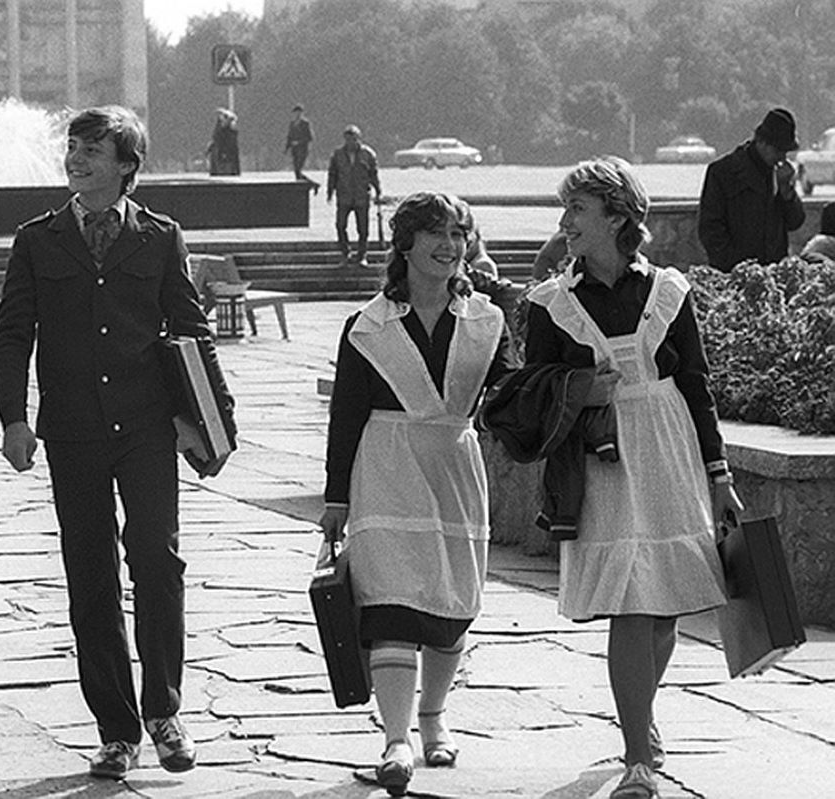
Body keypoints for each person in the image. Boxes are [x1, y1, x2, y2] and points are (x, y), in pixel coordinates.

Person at [0, 105, 234, 781]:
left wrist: (218, 424)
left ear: (126, 164)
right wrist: (13, 416)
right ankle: (117, 729)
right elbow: (12, 333)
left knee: (158, 560)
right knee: (89, 575)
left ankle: (164, 710)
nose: (77, 158)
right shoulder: (37, 239)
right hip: (72, 433)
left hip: (146, 427)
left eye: (93, 149)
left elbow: (192, 329)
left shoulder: (160, 237)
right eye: (73, 146)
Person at [523, 157, 744, 799]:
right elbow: (532, 390)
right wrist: (578, 388)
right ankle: (636, 758)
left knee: (665, 603)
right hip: (605, 461)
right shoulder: (552, 304)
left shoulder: (669, 293)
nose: (565, 223)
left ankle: (641, 727)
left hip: (670, 447)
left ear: (618, 217)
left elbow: (698, 387)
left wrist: (719, 472)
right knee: (630, 600)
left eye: (578, 211)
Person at [319, 192, 516, 796]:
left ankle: (435, 717)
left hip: (454, 465)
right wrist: (335, 499)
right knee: (391, 601)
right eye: (434, 232)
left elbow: (510, 394)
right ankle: (396, 738)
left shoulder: (486, 319)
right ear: (404, 243)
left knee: (452, 598)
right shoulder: (369, 325)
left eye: (457, 233)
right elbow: (346, 414)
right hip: (385, 466)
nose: (448, 245)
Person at [697, 107, 805, 272]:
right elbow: (710, 229)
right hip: (734, 275)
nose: (782, 158)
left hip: (774, 274)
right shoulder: (723, 172)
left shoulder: (779, 175)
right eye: (778, 151)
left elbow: (795, 222)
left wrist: (787, 191)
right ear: (761, 142)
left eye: (785, 152)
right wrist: (736, 267)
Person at [327, 124, 382, 268]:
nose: (350, 142)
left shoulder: (368, 154)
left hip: (361, 196)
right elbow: (332, 173)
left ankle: (362, 255)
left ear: (359, 139)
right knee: (340, 226)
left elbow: (373, 174)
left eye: (353, 139)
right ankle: (345, 254)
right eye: (347, 139)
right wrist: (329, 191)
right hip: (344, 195)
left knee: (363, 229)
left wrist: (378, 190)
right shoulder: (338, 154)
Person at [285, 103, 319, 193]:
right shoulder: (292, 124)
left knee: (298, 170)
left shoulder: (305, 123)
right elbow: (289, 136)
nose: (297, 114)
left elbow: (310, 137)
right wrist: (287, 148)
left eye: (299, 112)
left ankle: (308, 185)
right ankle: (309, 185)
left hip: (302, 150)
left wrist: (299, 142)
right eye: (296, 112)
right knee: (296, 171)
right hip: (294, 150)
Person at [207, 108, 240, 176]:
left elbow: (230, 144)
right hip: (218, 155)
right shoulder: (219, 129)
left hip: (226, 157)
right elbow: (216, 139)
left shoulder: (229, 131)